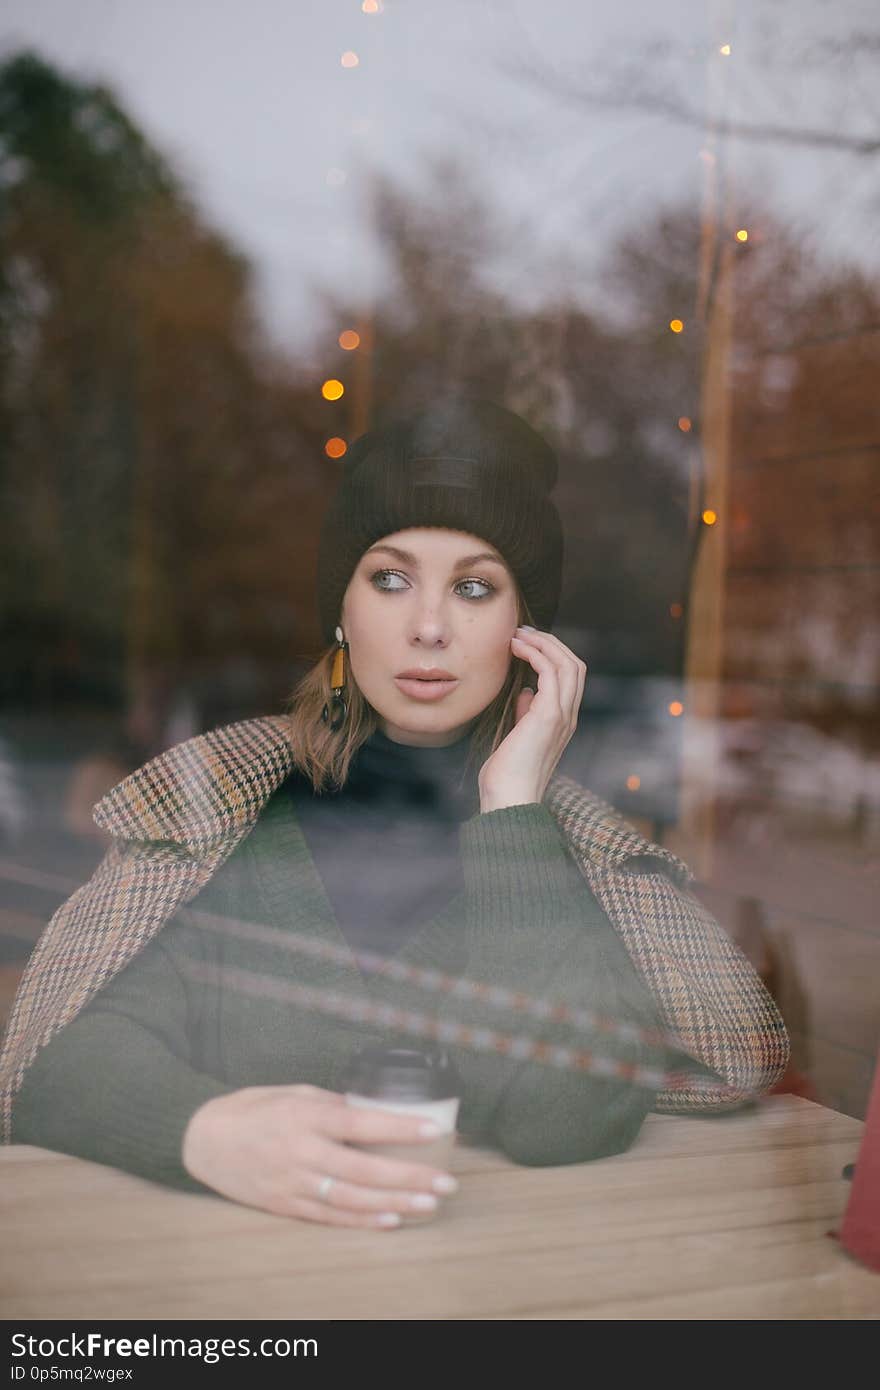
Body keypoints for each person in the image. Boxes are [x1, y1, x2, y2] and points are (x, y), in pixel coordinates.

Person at [2, 397, 789, 1229]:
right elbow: (65, 1061)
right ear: (341, 610)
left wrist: (514, 810)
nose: (427, 626)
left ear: (528, 633)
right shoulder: (224, 814)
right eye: (389, 578)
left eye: (476, 588)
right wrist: (200, 1131)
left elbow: (563, 1121)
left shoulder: (563, 860)